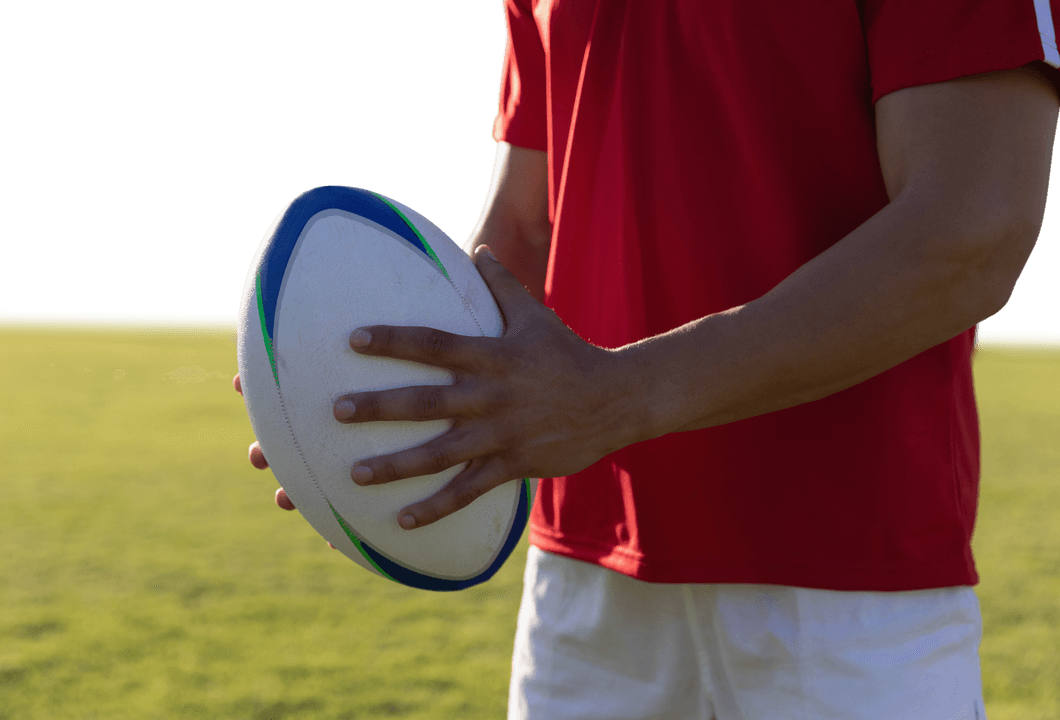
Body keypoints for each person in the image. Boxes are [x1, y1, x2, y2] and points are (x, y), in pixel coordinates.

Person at [234, 1, 1060, 717]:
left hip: (844, 577)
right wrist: (374, 402)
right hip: (586, 582)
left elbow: (970, 230)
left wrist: (617, 399)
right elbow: (520, 230)